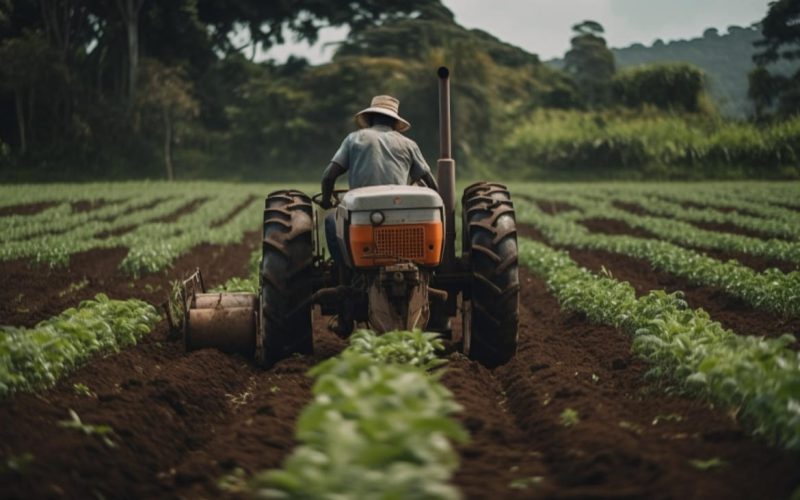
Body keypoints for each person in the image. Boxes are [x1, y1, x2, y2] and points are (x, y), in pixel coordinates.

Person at [320, 95, 438, 264]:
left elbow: (328, 176)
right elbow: (431, 183)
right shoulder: (408, 144)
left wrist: (326, 200)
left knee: (331, 221)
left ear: (370, 118)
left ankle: (345, 270)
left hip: (362, 213)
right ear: (394, 122)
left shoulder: (354, 139)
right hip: (402, 214)